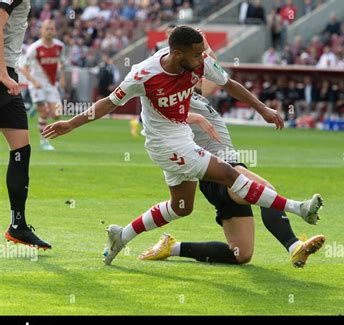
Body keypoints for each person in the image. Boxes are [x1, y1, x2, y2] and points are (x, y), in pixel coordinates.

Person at [42, 26, 323, 266]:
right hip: (164, 144)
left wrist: (262, 109)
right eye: (198, 53)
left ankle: (122, 235)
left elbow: (229, 84)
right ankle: (299, 208)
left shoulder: (199, 64)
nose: (203, 57)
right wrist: (71, 123)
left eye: (203, 53)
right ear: (177, 54)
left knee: (181, 206)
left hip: (182, 138)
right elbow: (107, 103)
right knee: (229, 174)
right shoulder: (144, 74)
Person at [138, 82, 325, 268]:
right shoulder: (176, 98)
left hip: (219, 176)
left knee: (240, 254)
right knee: (266, 191)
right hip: (222, 170)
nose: (200, 75)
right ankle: (295, 247)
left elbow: (213, 73)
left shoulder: (199, 98)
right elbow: (209, 68)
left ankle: (172, 247)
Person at [1, 0, 51, 249]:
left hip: (8, 72)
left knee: (21, 150)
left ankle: (17, 225)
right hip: (2, 74)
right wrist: (1, 73)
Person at [19, 19, 66, 151]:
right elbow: (23, 68)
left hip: (51, 85)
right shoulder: (35, 48)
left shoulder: (60, 46)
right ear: (42, 31)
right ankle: (44, 141)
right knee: (44, 113)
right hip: (37, 84)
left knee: (57, 114)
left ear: (55, 30)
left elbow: (62, 63)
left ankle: (35, 106)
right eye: (47, 29)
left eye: (52, 29)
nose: (50, 31)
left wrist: (62, 78)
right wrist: (33, 81)